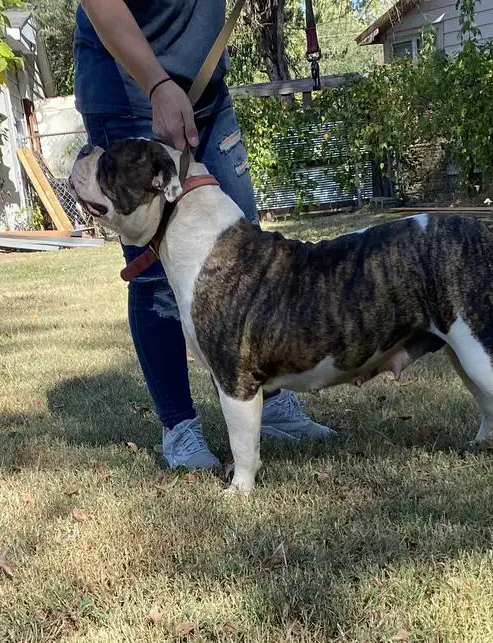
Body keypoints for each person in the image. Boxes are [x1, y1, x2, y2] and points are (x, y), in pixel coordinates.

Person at [74, 0, 332, 470]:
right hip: (131, 88)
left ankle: (268, 400)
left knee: (249, 253)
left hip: (205, 85)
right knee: (155, 272)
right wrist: (156, 84)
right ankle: (181, 427)